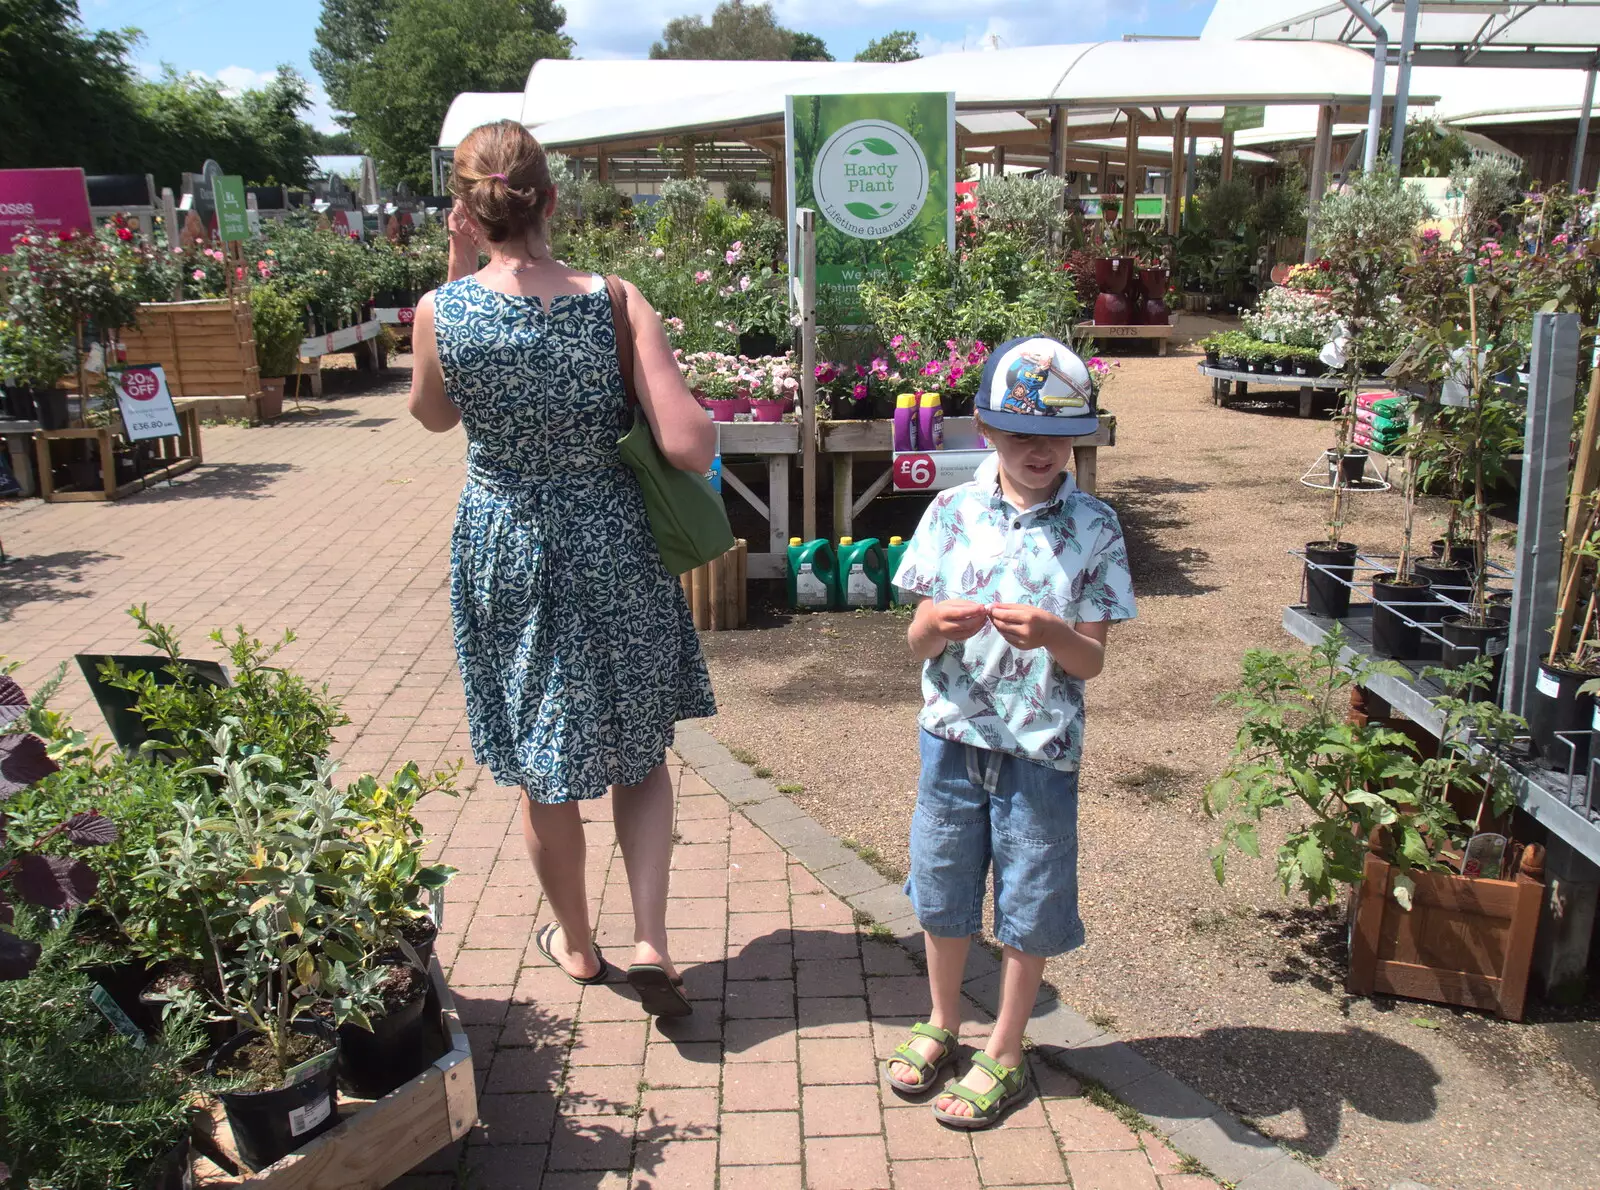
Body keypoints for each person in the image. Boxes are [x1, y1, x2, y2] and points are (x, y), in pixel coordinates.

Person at [407, 120, 717, 1019]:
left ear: (469, 209)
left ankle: (577, 947)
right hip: (613, 537)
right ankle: (651, 938)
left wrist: (457, 273)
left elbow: (432, 417)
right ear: (550, 199)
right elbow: (690, 446)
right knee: (639, 747)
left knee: (544, 766)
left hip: (505, 543)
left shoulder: (442, 309)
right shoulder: (615, 298)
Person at [883, 336, 1137, 1128]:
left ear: (1077, 440)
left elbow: (1090, 661)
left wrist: (1057, 635)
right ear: (986, 433)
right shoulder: (951, 510)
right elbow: (915, 640)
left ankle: (1005, 1046)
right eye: (1020, 433)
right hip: (952, 736)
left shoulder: (1096, 527)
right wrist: (936, 625)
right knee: (943, 884)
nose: (1038, 451)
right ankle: (941, 1020)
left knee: (1028, 898)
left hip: (1041, 748)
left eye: (1056, 437)